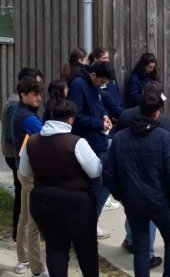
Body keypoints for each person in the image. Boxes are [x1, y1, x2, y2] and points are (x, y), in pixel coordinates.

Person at [19, 100, 102, 277]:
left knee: (55, 246)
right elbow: (95, 171)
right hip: (76, 203)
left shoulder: (32, 142)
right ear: (71, 120)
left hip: (42, 200)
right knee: (86, 247)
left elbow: (24, 171)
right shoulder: (76, 142)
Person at [104, 93, 170, 277]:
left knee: (140, 246)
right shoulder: (163, 137)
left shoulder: (120, 137)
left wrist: (120, 196)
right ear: (156, 114)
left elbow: (108, 173)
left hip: (133, 202)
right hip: (160, 201)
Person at [68, 60, 115, 239]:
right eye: (101, 81)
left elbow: (98, 103)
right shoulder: (79, 85)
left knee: (100, 184)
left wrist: (104, 115)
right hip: (89, 142)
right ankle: (88, 224)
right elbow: (76, 116)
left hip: (99, 139)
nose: (102, 85)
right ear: (93, 75)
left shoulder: (94, 85)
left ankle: (87, 223)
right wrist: (99, 123)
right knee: (101, 184)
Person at [1, 67, 43, 248]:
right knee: (22, 196)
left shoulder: (22, 105)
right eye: (36, 88)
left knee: (24, 196)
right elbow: (13, 135)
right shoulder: (15, 106)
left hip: (19, 154)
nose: (39, 95)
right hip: (15, 154)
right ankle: (17, 238)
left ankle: (21, 238)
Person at [12, 77, 47, 276]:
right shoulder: (28, 118)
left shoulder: (19, 111)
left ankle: (22, 258)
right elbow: (47, 136)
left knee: (25, 216)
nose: (39, 98)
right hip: (30, 172)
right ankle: (37, 269)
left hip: (23, 169)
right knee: (33, 221)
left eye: (40, 94)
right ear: (23, 95)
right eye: (34, 95)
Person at [89, 46, 123, 121]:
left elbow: (116, 92)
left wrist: (119, 107)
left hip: (116, 112)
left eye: (108, 58)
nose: (107, 60)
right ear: (95, 59)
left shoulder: (109, 72)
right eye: (104, 58)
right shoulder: (94, 76)